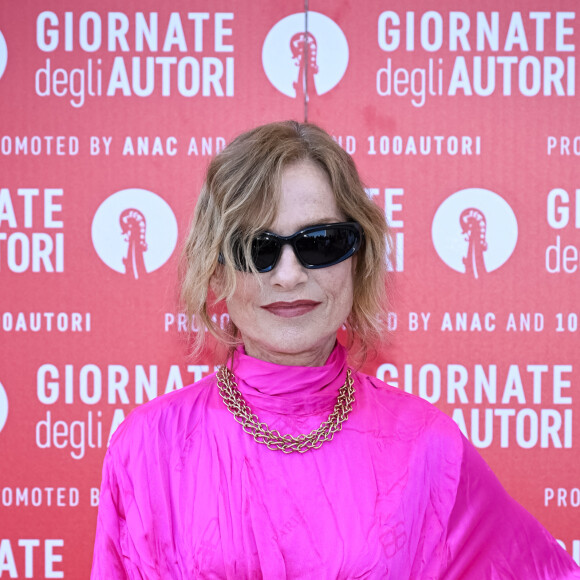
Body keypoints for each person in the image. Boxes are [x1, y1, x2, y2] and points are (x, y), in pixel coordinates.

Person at [91, 121, 580, 579]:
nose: (288, 275)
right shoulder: (147, 445)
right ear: (216, 271)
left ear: (358, 260)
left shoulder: (428, 446)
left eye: (320, 242)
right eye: (256, 247)